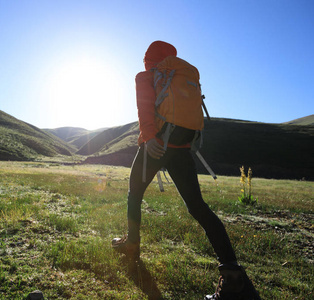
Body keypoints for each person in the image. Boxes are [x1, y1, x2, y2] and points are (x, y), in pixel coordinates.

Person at [111, 41, 261, 300]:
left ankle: (132, 244)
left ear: (148, 59)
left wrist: (148, 136)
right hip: (180, 146)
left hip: (156, 144)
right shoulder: (182, 73)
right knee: (197, 206)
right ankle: (234, 276)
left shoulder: (146, 76)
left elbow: (144, 107)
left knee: (134, 193)